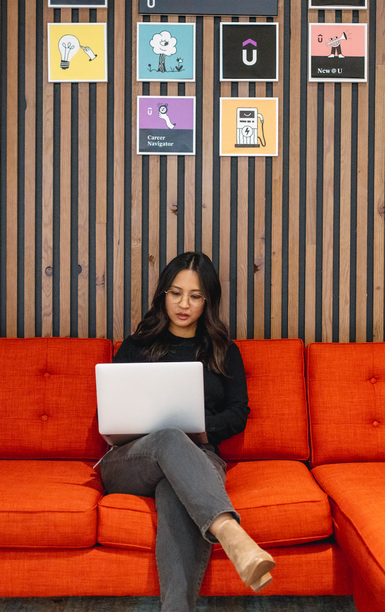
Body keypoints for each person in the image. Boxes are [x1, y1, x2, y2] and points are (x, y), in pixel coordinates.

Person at [97, 251, 275, 611]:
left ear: (207, 301)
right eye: (176, 294)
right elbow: (108, 412)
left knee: (174, 488)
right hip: (132, 461)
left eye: (195, 296)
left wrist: (199, 431)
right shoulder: (136, 347)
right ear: (163, 294)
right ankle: (229, 530)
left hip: (199, 458)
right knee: (169, 436)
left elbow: (238, 414)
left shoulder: (223, 351)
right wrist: (158, 430)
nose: (183, 304)